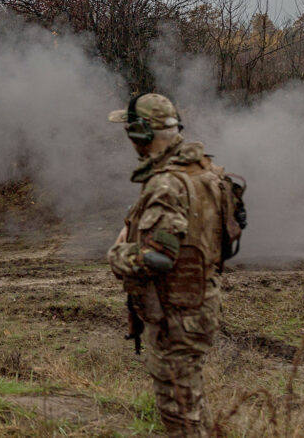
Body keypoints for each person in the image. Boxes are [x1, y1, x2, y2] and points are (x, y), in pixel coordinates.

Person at [107, 93, 224, 437]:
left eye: (131, 131)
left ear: (142, 135)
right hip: (199, 305)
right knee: (191, 407)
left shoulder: (166, 184)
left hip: (176, 318)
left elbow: (160, 257)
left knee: (180, 418)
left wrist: (117, 255)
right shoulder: (204, 170)